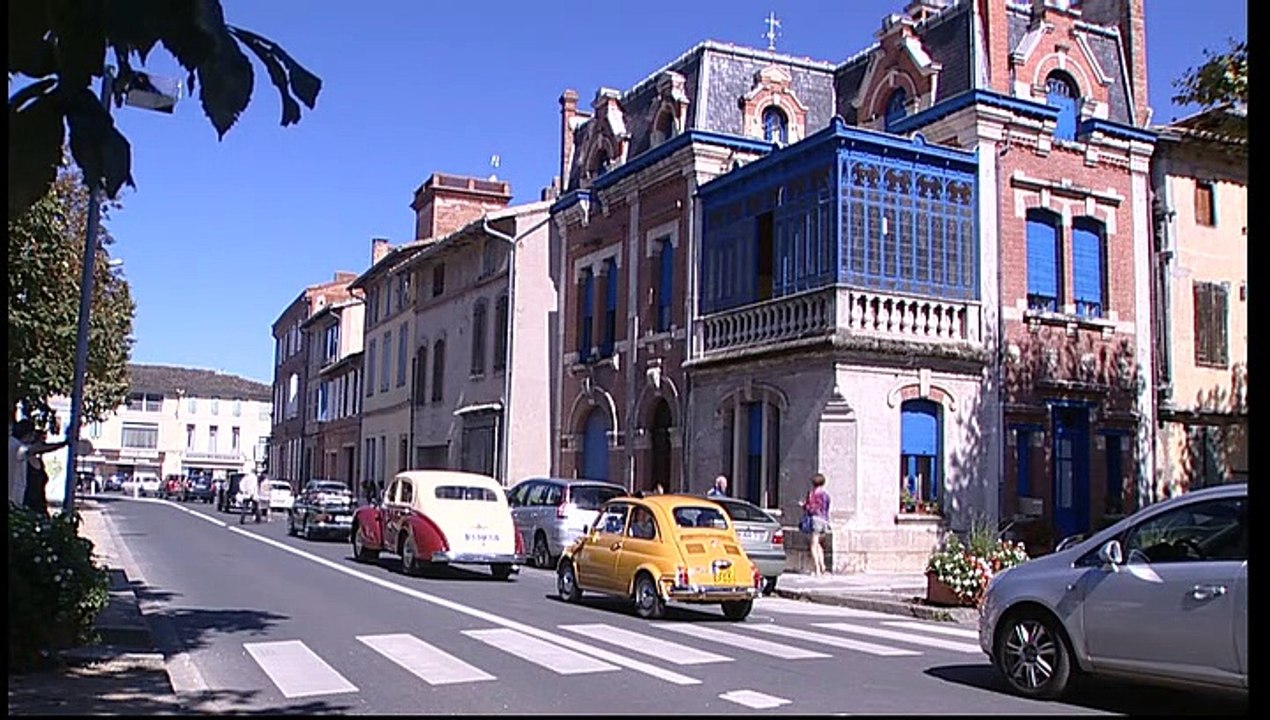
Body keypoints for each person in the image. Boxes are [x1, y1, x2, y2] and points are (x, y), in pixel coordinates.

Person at [799, 473, 832, 576]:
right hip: (824, 520)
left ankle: (817, 568)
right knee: (819, 545)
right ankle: (823, 566)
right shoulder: (826, 495)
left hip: (815, 520)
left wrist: (803, 505)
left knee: (813, 545)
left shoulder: (812, 494)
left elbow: (810, 508)